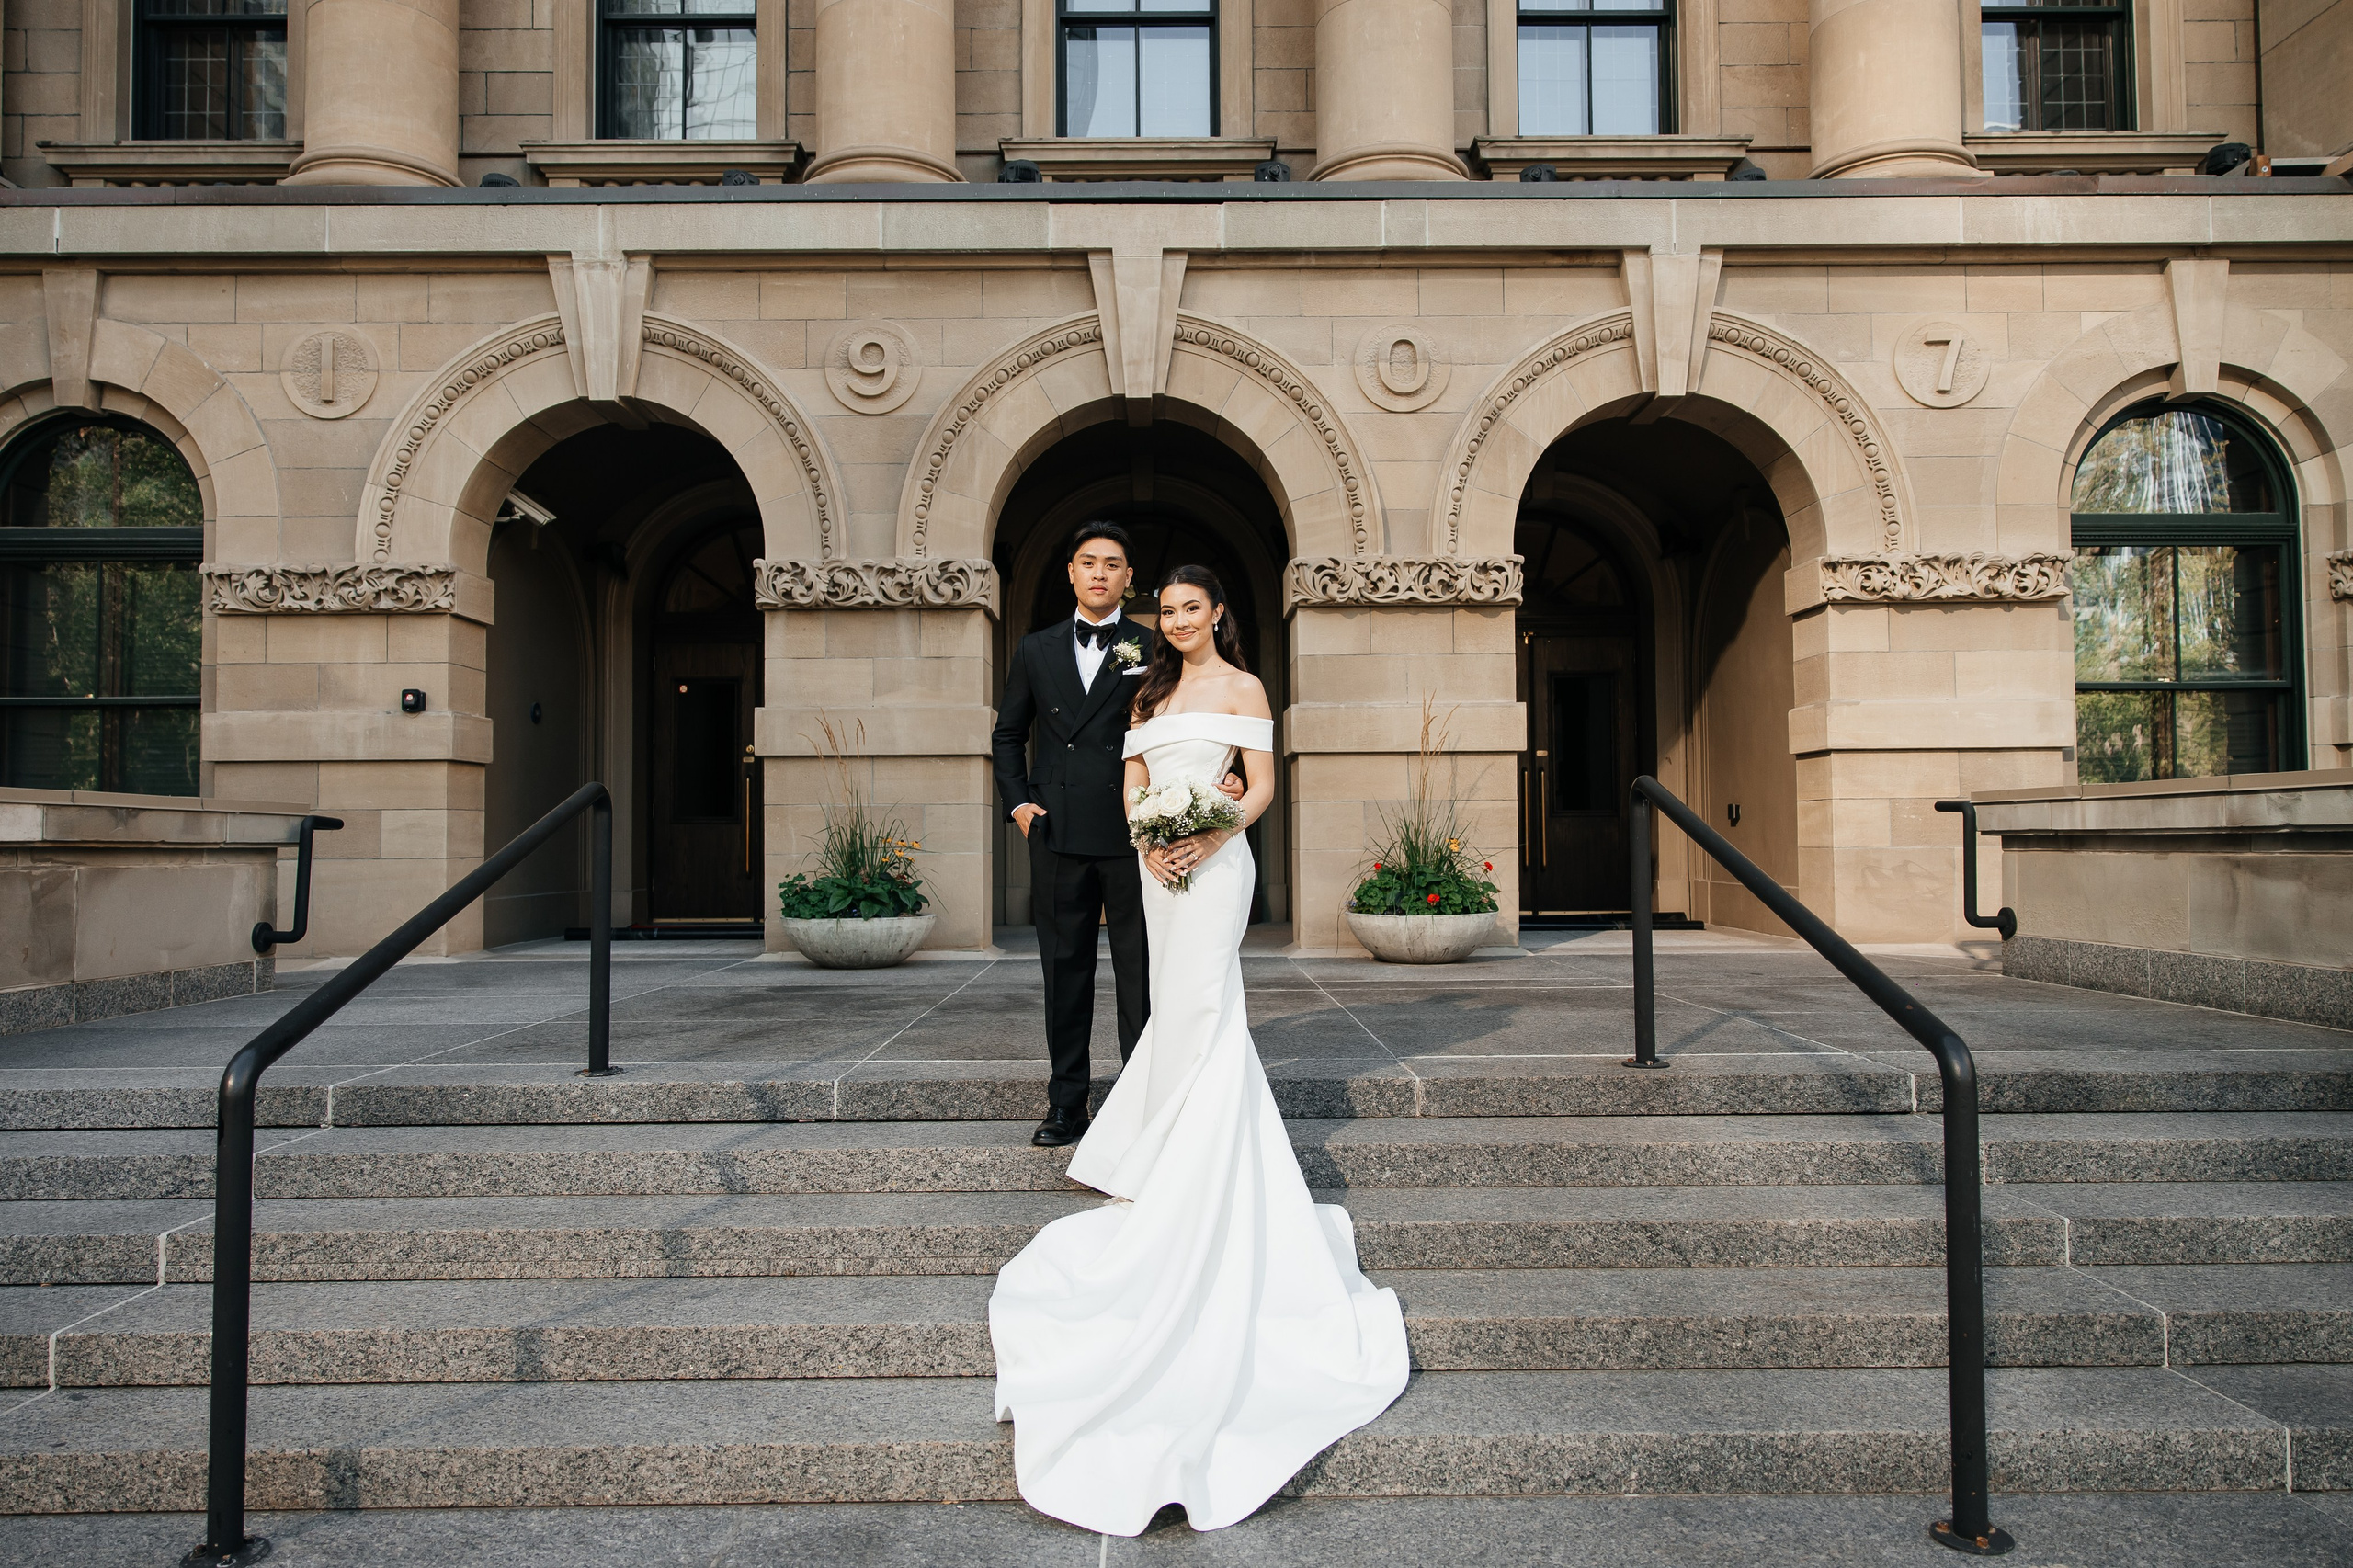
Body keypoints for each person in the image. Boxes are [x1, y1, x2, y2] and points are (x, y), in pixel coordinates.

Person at [987, 563, 1410, 1535]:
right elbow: (1131, 779)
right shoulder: (1148, 688)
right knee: (1175, 1011)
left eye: (1190, 608)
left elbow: (1260, 787)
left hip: (1217, 868)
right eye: (1165, 611)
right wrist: (1149, 836)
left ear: (1218, 612)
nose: (1176, 622)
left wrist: (1206, 833)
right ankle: (1171, 1151)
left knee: (1203, 1006)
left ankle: (1194, 1167)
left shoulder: (1243, 689)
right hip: (1153, 865)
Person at [990, 523, 1237, 1149]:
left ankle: (1139, 1105)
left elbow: (1198, 716)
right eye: (1088, 563)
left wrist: (1224, 774)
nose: (1100, 574)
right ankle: (1066, 1104)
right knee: (1063, 974)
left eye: (1114, 565)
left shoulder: (1154, 645)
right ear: (1070, 572)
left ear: (1130, 579)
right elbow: (1007, 735)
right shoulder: (1035, 648)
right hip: (1056, 829)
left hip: (1137, 832)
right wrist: (1019, 804)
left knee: (1140, 974)